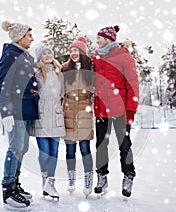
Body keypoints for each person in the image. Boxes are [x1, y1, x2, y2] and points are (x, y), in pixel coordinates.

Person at [92, 25, 139, 198]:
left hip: (120, 110)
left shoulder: (124, 56)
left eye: (99, 38)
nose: (97, 41)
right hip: (101, 109)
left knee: (124, 144)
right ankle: (102, 176)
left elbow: (132, 85)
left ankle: (128, 176)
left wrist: (131, 110)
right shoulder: (96, 57)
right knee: (101, 145)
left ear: (108, 39)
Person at [0, 20, 39, 210]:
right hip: (15, 111)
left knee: (22, 148)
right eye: (29, 35)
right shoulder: (10, 55)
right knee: (15, 148)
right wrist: (6, 112)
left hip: (27, 110)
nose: (32, 39)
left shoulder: (24, 55)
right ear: (20, 37)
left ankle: (16, 184)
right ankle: (8, 191)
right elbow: (4, 84)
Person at [30, 45, 65, 201]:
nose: (48, 55)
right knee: (44, 153)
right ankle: (45, 180)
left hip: (56, 115)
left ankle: (50, 182)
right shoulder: (36, 72)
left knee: (54, 153)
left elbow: (63, 93)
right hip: (42, 116)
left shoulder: (59, 73)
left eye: (49, 52)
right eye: (44, 53)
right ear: (39, 57)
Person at [61, 37, 95, 197]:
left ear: (82, 52)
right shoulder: (65, 69)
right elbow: (59, 89)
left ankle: (88, 178)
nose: (73, 53)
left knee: (85, 148)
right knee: (69, 148)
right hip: (68, 110)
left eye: (76, 50)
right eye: (71, 51)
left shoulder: (91, 68)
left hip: (84, 110)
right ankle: (71, 177)